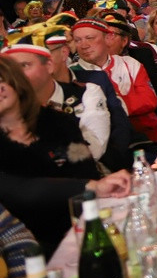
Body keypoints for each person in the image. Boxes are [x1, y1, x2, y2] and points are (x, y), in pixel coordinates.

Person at [0, 54, 131, 254]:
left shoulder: (58, 122)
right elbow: (21, 190)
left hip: (81, 226)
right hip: (27, 245)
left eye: (1, 80)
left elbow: (85, 168)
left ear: (15, 82)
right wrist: (91, 187)